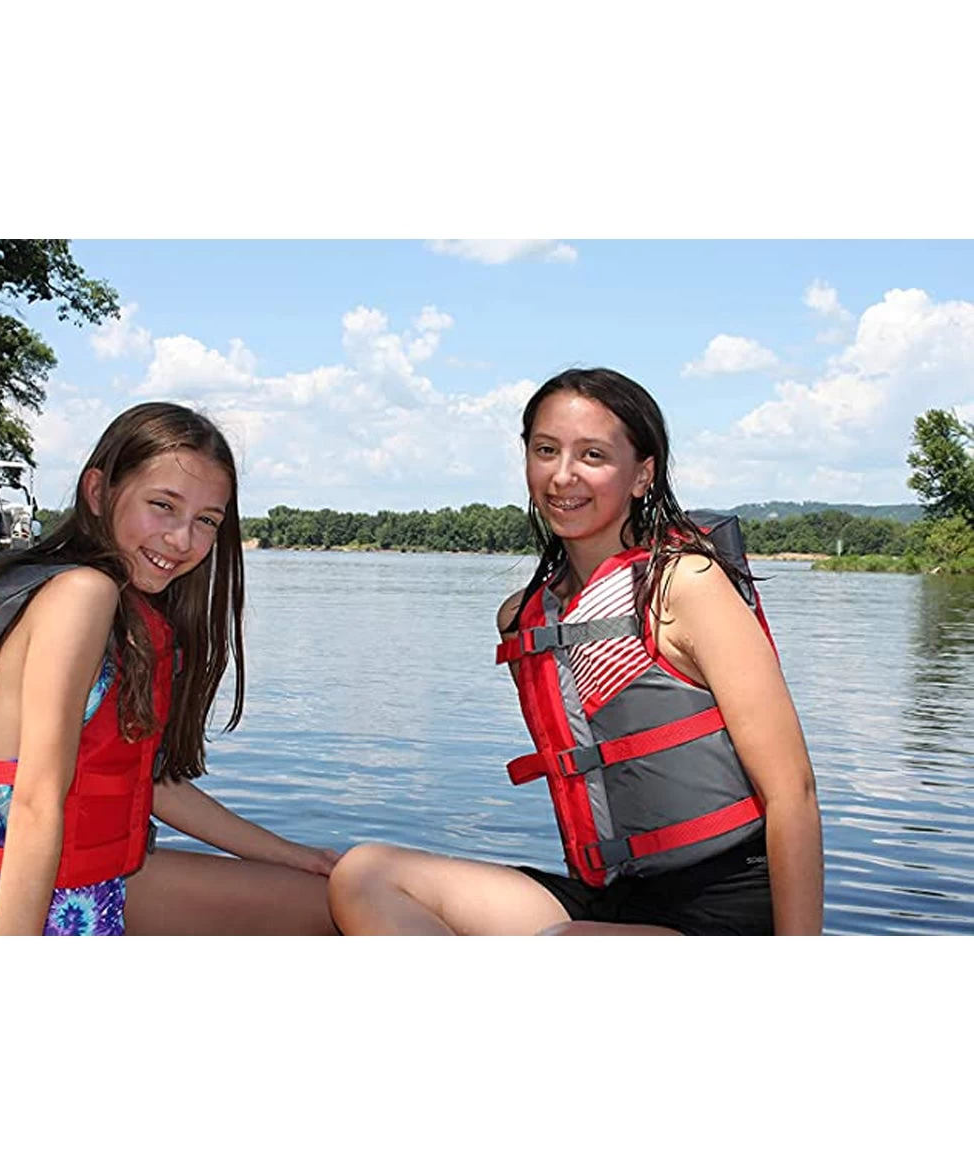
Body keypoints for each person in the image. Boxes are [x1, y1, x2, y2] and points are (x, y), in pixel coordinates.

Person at [327, 368, 823, 935]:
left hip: (726, 907)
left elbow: (793, 792)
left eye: (592, 455)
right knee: (364, 875)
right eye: (546, 450)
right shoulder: (525, 617)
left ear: (642, 475)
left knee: (564, 945)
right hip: (611, 900)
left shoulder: (686, 585)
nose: (563, 476)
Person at [0, 403, 338, 935]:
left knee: (341, 893)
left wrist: (296, 855)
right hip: (55, 915)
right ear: (98, 492)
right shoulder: (82, 595)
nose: (182, 540)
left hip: (100, 890)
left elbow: (147, 784)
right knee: (354, 903)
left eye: (206, 521)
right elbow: (36, 801)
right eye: (163, 505)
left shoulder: (104, 605)